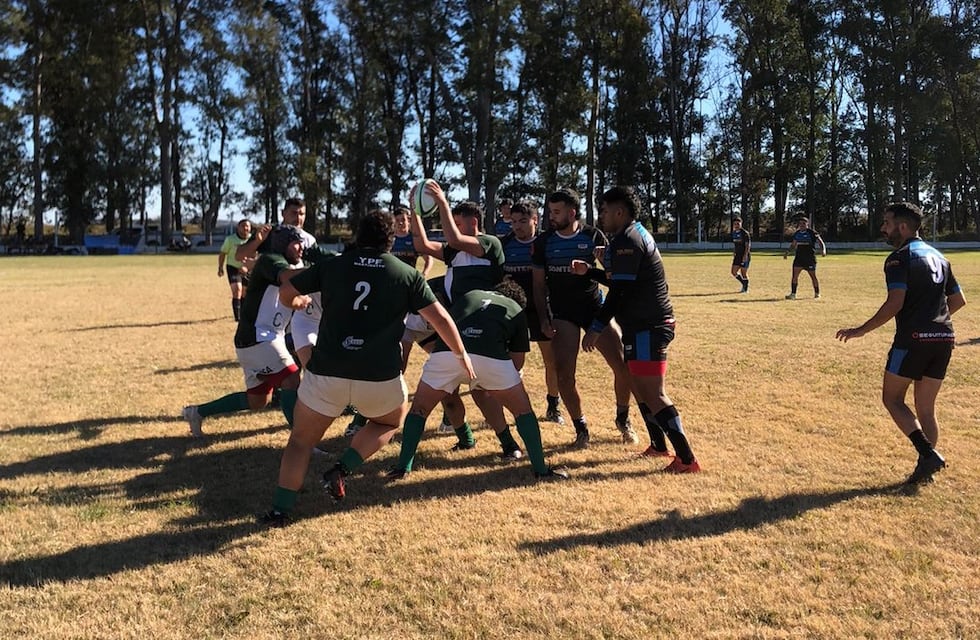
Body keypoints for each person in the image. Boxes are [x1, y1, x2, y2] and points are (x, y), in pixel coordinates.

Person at [261, 210, 474, 526]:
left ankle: (280, 511)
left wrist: (294, 304)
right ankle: (342, 468)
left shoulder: (333, 265)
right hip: (379, 376)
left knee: (300, 441)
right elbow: (440, 319)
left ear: (358, 236)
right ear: (391, 240)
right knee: (390, 421)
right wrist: (461, 355)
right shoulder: (406, 273)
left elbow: (288, 290)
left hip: (327, 371)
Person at [835, 202, 966, 485]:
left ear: (902, 226)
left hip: (913, 340)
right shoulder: (940, 257)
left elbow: (895, 301)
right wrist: (934, 323)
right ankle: (925, 471)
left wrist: (861, 330)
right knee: (926, 409)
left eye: (887, 222)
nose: (883, 228)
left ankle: (928, 455)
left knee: (892, 399)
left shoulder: (899, 258)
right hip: (944, 338)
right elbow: (958, 301)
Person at [388, 280, 569, 483]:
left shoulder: (471, 294)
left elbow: (447, 325)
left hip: (449, 353)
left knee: (419, 409)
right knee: (523, 411)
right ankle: (541, 469)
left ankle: (403, 466)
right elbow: (517, 362)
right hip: (492, 359)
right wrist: (494, 382)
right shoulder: (516, 309)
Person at [575, 186, 701, 472]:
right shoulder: (628, 236)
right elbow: (622, 282)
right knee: (636, 383)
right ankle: (658, 445)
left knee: (652, 391)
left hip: (649, 326)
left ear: (620, 212)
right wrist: (593, 271)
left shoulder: (628, 240)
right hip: (639, 324)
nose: (601, 217)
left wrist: (596, 326)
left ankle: (686, 459)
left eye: (605, 211)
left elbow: (619, 292)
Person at [409, 182, 514, 451]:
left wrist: (442, 203)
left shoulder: (490, 244)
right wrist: (416, 210)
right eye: (450, 222)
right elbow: (421, 244)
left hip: (484, 327)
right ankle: (465, 438)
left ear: (473, 223)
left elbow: (454, 238)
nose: (450, 228)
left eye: (457, 222)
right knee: (448, 391)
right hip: (456, 326)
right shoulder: (454, 251)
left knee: (482, 392)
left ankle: (508, 444)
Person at [531, 187, 639, 448]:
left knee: (623, 366)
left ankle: (623, 418)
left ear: (572, 212)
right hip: (562, 313)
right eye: (549, 212)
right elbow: (538, 286)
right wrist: (544, 318)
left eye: (556, 212)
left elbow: (614, 276)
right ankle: (581, 429)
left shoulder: (594, 235)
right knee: (564, 375)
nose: (551, 217)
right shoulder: (544, 241)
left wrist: (602, 265)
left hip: (594, 309)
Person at [182, 225, 306, 437]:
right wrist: (328, 270)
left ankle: (196, 412)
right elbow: (288, 278)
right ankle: (302, 441)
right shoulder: (271, 260)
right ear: (283, 243)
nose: (302, 247)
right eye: (296, 242)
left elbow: (288, 297)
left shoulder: (285, 262)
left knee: (257, 401)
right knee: (292, 379)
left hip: (260, 338)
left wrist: (301, 301)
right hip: (259, 338)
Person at [501, 201, 564, 424]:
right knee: (512, 363)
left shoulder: (546, 243)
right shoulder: (505, 244)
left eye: (523, 221)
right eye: (514, 221)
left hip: (541, 309)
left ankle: (553, 405)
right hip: (513, 311)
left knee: (551, 360)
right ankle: (515, 407)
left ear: (535, 220)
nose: (517, 226)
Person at [218, 219, 252, 321]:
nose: (245, 228)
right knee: (237, 290)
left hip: (247, 269)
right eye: (243, 226)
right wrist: (220, 267)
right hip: (233, 267)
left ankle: (243, 313)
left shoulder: (253, 239)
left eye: (247, 226)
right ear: (238, 227)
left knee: (245, 293)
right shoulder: (230, 240)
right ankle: (237, 318)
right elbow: (223, 253)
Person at [784, 216, 826, 299]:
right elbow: (793, 244)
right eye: (800, 224)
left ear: (807, 224)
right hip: (799, 258)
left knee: (813, 276)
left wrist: (823, 250)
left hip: (809, 258)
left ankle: (817, 293)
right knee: (794, 276)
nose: (802, 225)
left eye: (804, 223)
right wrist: (787, 252)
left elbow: (821, 242)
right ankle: (793, 294)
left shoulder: (812, 233)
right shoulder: (797, 233)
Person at [730, 217, 751, 293]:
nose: (736, 225)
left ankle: (745, 289)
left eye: (738, 223)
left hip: (744, 255)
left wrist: (745, 255)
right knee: (733, 272)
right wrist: (734, 251)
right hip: (737, 255)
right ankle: (744, 283)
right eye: (735, 224)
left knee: (743, 273)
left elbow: (747, 245)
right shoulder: (734, 233)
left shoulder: (745, 233)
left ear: (741, 223)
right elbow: (735, 244)